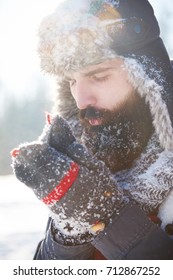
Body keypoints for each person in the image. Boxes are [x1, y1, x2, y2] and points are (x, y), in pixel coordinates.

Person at [11, 0, 173, 260]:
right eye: (72, 80)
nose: (81, 100)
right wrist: (69, 232)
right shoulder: (86, 162)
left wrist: (106, 214)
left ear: (148, 76)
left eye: (99, 76)